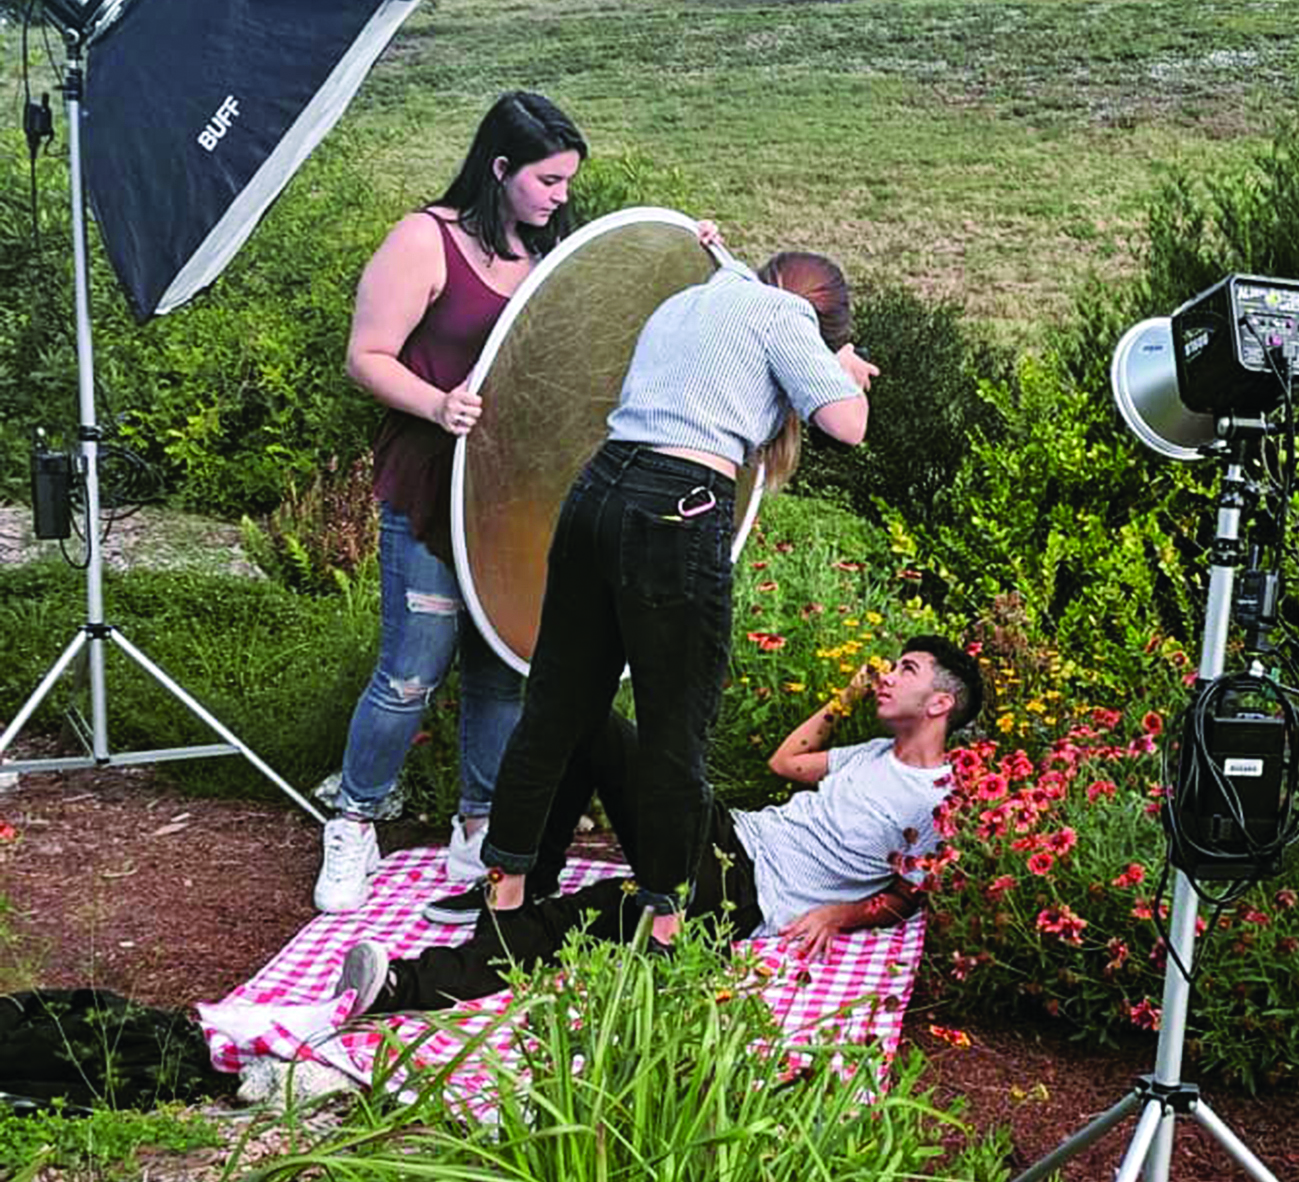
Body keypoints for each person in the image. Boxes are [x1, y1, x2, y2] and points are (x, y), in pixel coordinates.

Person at [415, 242, 881, 936]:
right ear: (820, 319)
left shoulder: (691, 302)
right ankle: (667, 926)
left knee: (554, 707)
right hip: (678, 507)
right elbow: (848, 425)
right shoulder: (785, 317)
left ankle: (503, 896)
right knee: (674, 728)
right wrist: (836, 368)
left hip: (597, 494)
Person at [331, 636, 983, 1016]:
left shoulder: (935, 800)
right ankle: (531, 879)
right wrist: (843, 697)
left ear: (941, 703)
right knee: (591, 723)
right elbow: (787, 763)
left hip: (740, 893)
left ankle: (399, 987)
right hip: (723, 831)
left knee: (585, 919)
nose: (888, 675)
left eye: (907, 670)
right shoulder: (870, 754)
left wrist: (837, 916)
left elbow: (906, 896)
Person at [314, 92, 589, 915]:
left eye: (569, 182)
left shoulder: (549, 251)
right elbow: (367, 355)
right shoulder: (423, 239)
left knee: (502, 669)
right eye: (547, 180)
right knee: (409, 671)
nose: (561, 197)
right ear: (500, 168)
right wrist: (437, 405)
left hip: (512, 495)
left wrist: (692, 249)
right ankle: (355, 820)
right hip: (433, 484)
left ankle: (477, 829)